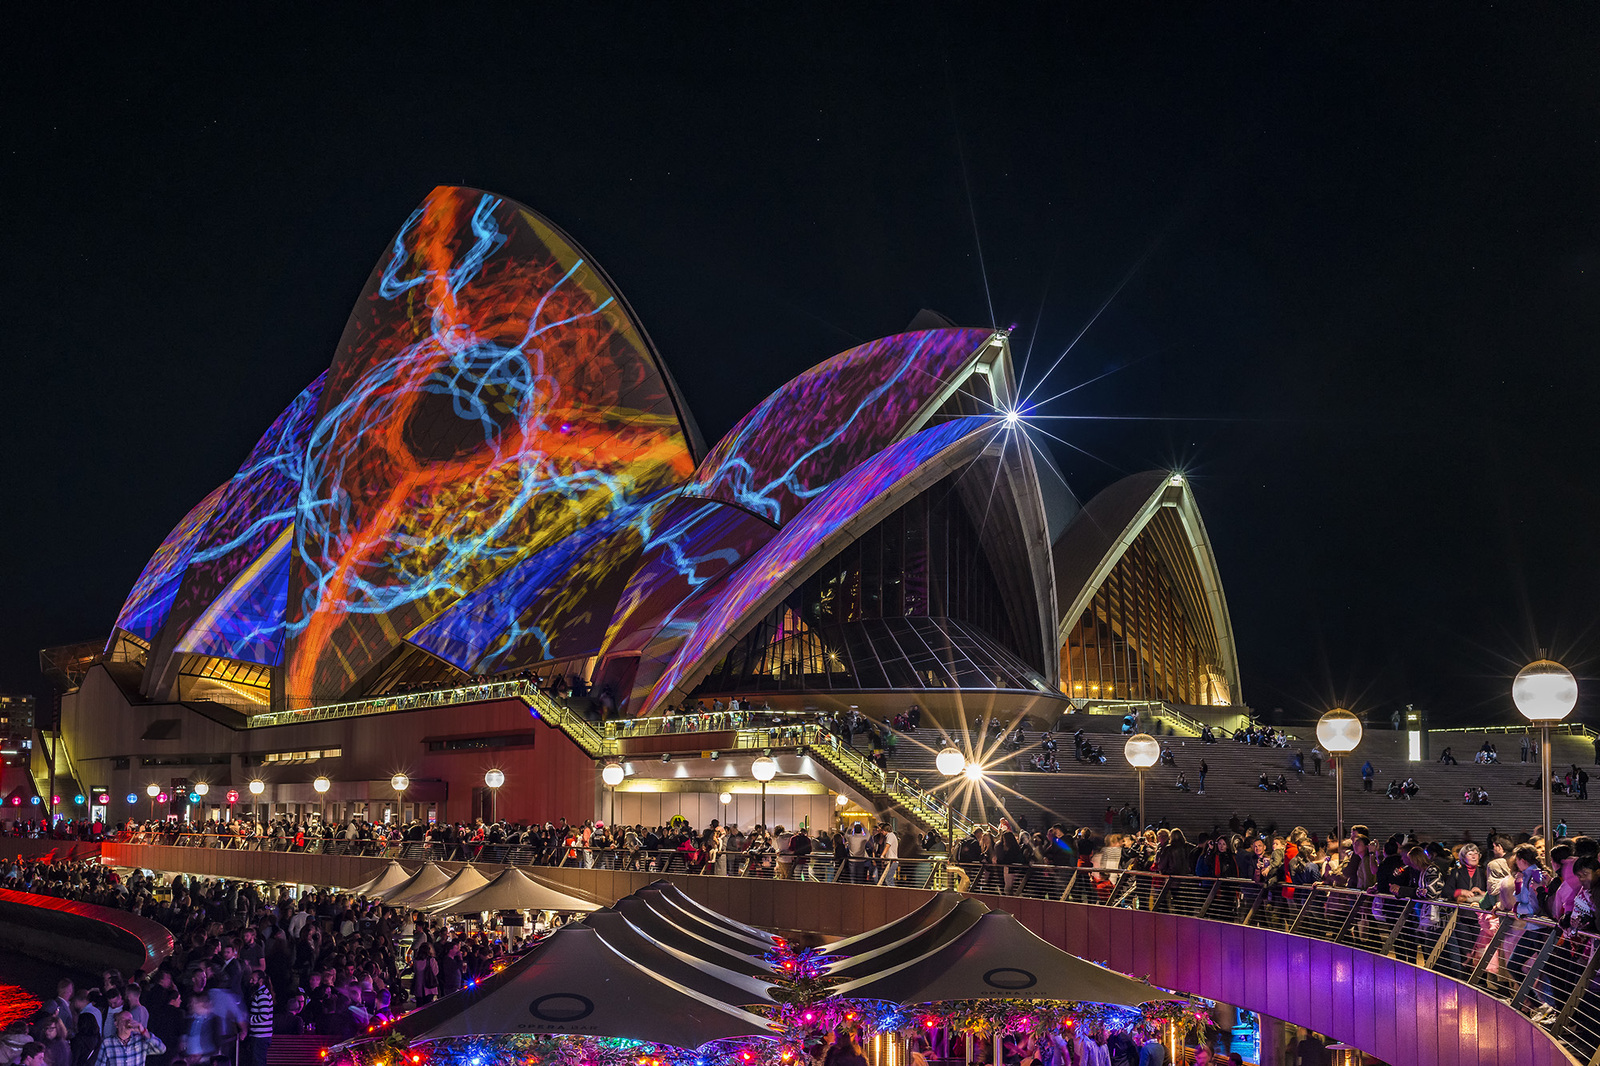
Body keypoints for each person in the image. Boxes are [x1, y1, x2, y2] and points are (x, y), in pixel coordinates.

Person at [93, 1012, 164, 1066]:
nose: (128, 1022)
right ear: (116, 1024)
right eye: (124, 1020)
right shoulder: (107, 1043)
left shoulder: (140, 1039)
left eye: (130, 1020)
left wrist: (143, 1031)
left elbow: (161, 1049)